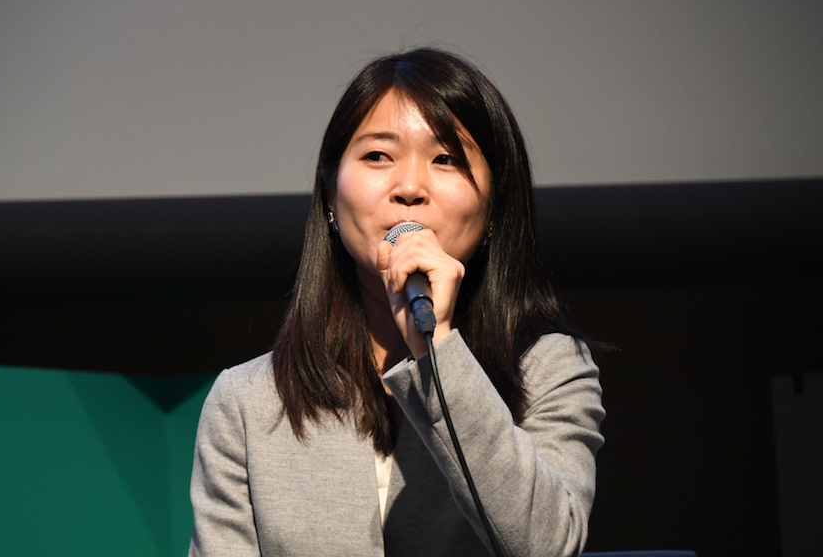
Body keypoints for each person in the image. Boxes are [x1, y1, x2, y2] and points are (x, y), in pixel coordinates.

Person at [188, 48, 605, 557]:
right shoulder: (248, 402)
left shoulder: (548, 369)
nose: (409, 187)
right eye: (378, 156)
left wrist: (439, 351)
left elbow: (548, 546)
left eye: (446, 158)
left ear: (495, 207)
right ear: (329, 196)